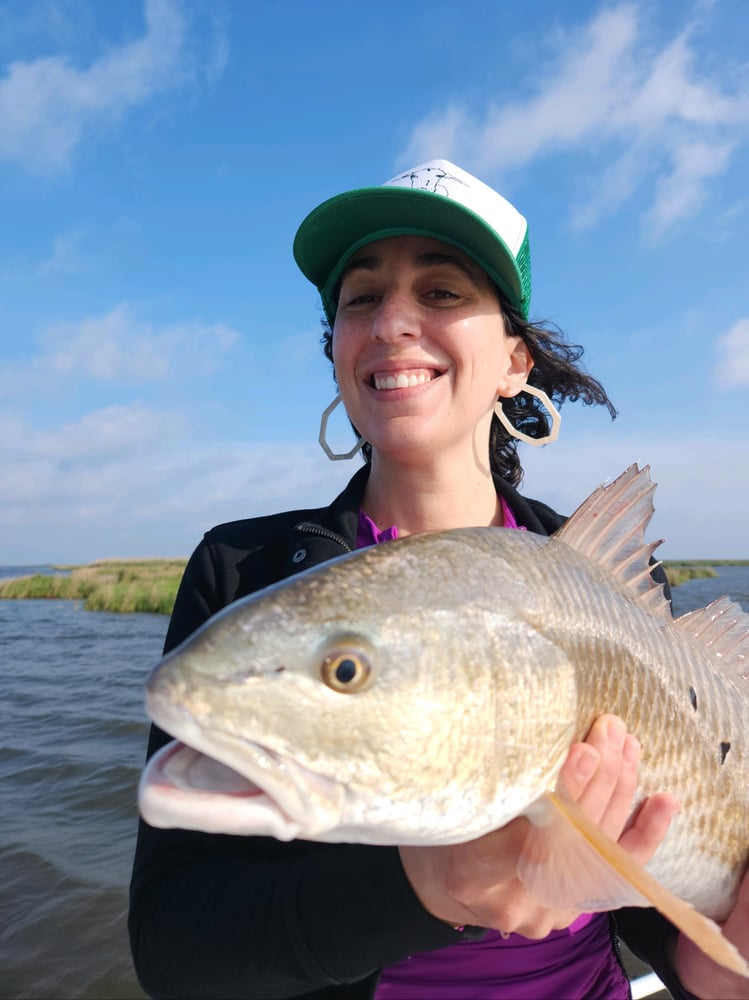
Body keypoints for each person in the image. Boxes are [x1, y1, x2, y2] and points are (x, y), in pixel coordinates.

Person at [129, 159, 749, 999]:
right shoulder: (241, 573)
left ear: (514, 360)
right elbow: (175, 948)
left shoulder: (609, 592)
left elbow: (652, 885)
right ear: (337, 353)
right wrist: (425, 888)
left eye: (443, 292)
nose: (391, 322)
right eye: (359, 298)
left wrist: (711, 971)